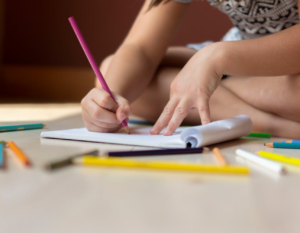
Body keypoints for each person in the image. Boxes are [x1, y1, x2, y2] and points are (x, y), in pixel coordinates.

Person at [81, 0, 300, 138]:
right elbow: (141, 49)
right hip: (238, 55)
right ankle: (274, 125)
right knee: (113, 71)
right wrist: (110, 102)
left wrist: (215, 57)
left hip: (275, 61)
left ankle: (216, 96)